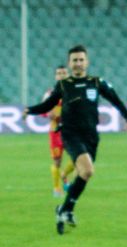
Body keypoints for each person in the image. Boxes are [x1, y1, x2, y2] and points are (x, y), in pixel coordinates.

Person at [25, 45, 127, 235]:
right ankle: (66, 210)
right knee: (88, 169)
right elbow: (48, 104)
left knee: (85, 174)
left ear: (87, 62)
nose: (78, 63)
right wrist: (30, 110)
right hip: (70, 134)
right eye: (74, 60)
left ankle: (64, 209)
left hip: (91, 136)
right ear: (69, 63)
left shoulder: (96, 82)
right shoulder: (63, 85)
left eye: (81, 60)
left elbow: (115, 100)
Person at [38, 65, 76, 197]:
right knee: (57, 162)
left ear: (68, 75)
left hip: (71, 131)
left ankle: (64, 174)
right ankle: (56, 188)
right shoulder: (49, 94)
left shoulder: (74, 92)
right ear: (55, 76)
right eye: (59, 73)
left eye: (64, 73)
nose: (61, 75)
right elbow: (42, 110)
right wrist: (48, 114)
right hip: (55, 132)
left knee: (77, 158)